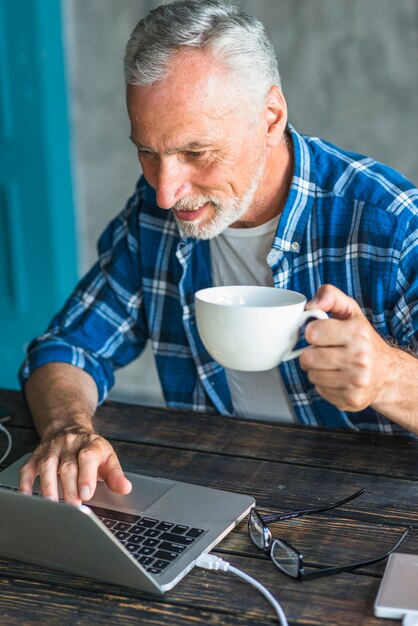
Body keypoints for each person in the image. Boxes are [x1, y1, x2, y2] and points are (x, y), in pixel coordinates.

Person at [18, 0, 418, 505]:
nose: (166, 191)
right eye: (148, 152)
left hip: (372, 515)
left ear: (270, 117)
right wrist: (68, 429)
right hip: (219, 497)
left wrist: (389, 377)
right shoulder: (153, 216)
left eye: (195, 153)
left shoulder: (392, 222)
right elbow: (67, 349)